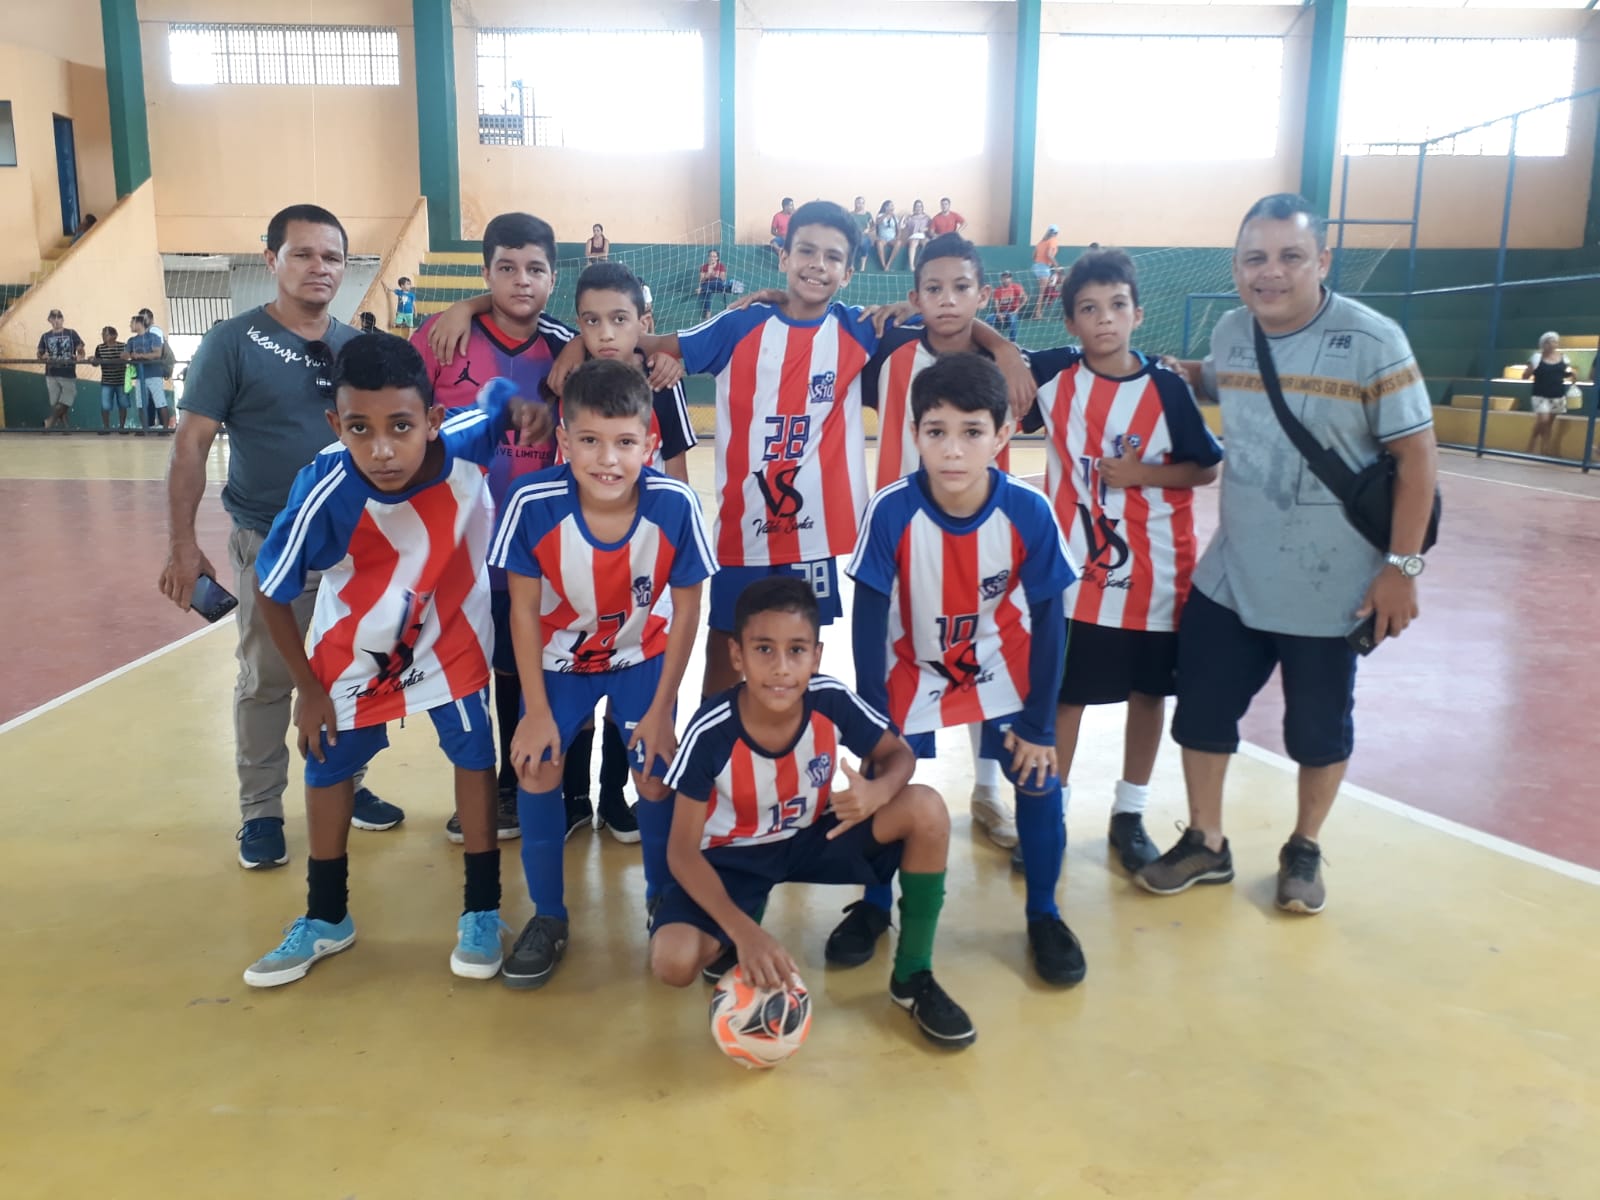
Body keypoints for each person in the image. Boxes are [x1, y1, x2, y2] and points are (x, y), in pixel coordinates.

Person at [1136, 193, 1438, 915]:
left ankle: (1304, 845)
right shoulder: (1236, 330)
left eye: (1290, 257)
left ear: (1322, 261)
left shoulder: (1374, 340)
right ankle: (1206, 841)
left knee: (1317, 729)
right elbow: (1221, 376)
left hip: (1332, 586)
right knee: (1202, 713)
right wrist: (1178, 370)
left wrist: (1402, 568)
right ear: (1237, 267)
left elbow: (1419, 458)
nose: (1270, 273)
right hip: (1233, 574)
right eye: (1255, 259)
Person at [241, 336, 543, 988]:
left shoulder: (462, 439)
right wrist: (307, 690)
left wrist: (521, 408)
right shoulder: (324, 489)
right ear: (335, 425)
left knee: (474, 759)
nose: (381, 448)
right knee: (326, 769)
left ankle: (483, 909)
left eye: (400, 427)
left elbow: (496, 400)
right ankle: (326, 918)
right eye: (360, 429)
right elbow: (271, 587)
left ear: (432, 420)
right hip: (355, 652)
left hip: (451, 639)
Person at [161, 203, 405, 869]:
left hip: (356, 552)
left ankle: (349, 784)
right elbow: (191, 446)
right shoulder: (233, 342)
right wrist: (183, 542)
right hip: (272, 542)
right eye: (303, 253)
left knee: (355, 676)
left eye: (331, 257)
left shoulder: (357, 348)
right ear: (272, 260)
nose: (318, 267)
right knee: (268, 678)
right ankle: (261, 811)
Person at [649, 576, 976, 1048]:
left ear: (816, 656)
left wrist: (878, 792)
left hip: (812, 838)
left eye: (796, 650)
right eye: (764, 649)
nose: (781, 668)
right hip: (733, 857)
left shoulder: (829, 698)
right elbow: (682, 852)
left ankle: (913, 978)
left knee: (926, 808)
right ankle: (736, 921)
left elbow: (900, 755)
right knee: (674, 962)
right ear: (737, 655)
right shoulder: (711, 731)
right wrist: (745, 934)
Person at [846, 354, 1082, 986]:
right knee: (884, 781)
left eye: (972, 432)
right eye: (936, 431)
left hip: (1000, 668)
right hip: (913, 668)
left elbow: (1052, 621)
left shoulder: (1028, 512)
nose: (953, 450)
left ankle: (1044, 914)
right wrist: (873, 722)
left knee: (1038, 778)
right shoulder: (892, 510)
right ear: (914, 434)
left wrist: (1040, 724)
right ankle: (872, 906)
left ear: (1003, 435)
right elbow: (866, 620)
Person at [490, 358, 717, 990]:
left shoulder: (674, 505)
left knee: (652, 770)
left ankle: (662, 898)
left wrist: (663, 708)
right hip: (559, 664)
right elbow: (524, 609)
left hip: (642, 658)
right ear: (563, 442)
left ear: (650, 443)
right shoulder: (532, 503)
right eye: (589, 441)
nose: (607, 460)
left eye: (624, 443)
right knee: (537, 764)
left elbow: (689, 605)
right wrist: (534, 710)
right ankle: (549, 915)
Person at [623, 201, 888, 701]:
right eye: (806, 250)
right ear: (782, 256)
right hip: (744, 534)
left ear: (849, 273)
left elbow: (944, 316)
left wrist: (997, 344)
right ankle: (709, 751)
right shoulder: (740, 326)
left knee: (799, 650)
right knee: (726, 645)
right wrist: (587, 348)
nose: (817, 264)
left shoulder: (860, 330)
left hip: (814, 539)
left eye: (832, 257)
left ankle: (784, 760)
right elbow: (649, 343)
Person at [1020, 248, 1222, 878]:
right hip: (1078, 585)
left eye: (1115, 306)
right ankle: (1052, 811)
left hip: (1159, 578)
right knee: (1066, 699)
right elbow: (995, 361)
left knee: (1147, 693)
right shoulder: (1054, 378)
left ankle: (1129, 813)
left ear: (1138, 311)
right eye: (1088, 309)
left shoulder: (1166, 386)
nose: (1104, 319)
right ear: (1070, 322)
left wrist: (1143, 475)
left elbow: (1207, 467)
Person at [410, 211, 576, 845]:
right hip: (451, 542)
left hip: (528, 544)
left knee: (514, 666)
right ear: (486, 274)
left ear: (554, 279)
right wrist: (464, 307)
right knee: (456, 666)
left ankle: (508, 786)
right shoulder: (442, 336)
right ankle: (473, 783)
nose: (521, 281)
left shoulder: (564, 345)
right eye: (505, 269)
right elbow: (401, 411)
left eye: (535, 269)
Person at [859, 233, 1021, 849]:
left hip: (980, 546)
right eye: (934, 289)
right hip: (902, 546)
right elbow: (812, 319)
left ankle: (986, 788)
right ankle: (897, 791)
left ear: (983, 292)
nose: (948, 301)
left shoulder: (1005, 367)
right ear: (914, 294)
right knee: (905, 667)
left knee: (983, 662)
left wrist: (1000, 342)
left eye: (961, 288)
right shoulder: (888, 351)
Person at [561, 261, 699, 832]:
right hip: (576, 563)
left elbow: (679, 476)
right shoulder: (566, 382)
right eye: (592, 322)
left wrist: (672, 556)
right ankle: (573, 798)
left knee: (628, 683)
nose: (608, 334)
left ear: (644, 321)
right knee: (577, 670)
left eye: (620, 320)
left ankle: (614, 793)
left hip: (645, 566)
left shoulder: (663, 386)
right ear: (579, 327)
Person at [1523, 331, 1576, 457]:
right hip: (1540, 395)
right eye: (1550, 341)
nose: (1553, 344)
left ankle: (1544, 448)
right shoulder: (1536, 358)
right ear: (1544, 344)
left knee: (1549, 423)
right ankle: (1533, 442)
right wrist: (1529, 370)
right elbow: (1525, 376)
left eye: (1555, 341)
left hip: (1557, 394)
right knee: (1543, 420)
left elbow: (1565, 373)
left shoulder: (1564, 358)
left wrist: (1572, 374)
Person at [36, 308, 85, 430]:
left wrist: (80, 355)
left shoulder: (71, 333)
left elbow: (80, 348)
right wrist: (42, 356)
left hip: (68, 372)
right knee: (56, 402)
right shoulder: (45, 336)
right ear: (49, 320)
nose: (56, 321)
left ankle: (50, 422)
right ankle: (66, 427)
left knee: (67, 399)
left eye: (59, 318)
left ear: (63, 319)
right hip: (51, 373)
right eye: (53, 318)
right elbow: (39, 353)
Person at [125, 314, 169, 435]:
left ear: (138, 323)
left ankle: (165, 429)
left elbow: (157, 354)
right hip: (140, 375)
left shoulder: (153, 337)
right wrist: (128, 355)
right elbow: (124, 354)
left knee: (160, 401)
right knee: (140, 403)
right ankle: (145, 428)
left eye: (131, 322)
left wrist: (139, 356)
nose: (130, 325)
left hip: (154, 374)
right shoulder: (131, 340)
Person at [89, 325, 127, 434]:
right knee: (105, 405)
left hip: (121, 381)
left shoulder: (123, 346)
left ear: (113, 335)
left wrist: (107, 361)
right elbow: (96, 363)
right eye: (102, 334)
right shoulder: (100, 348)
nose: (103, 336)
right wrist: (93, 360)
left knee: (123, 404)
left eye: (105, 334)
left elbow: (125, 359)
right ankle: (106, 428)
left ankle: (122, 428)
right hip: (107, 381)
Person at [991, 271, 1026, 342]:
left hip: (1012, 311)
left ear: (1011, 279)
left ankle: (1013, 342)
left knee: (1013, 321)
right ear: (1001, 279)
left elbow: (1025, 298)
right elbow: (996, 303)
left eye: (1008, 278)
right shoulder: (998, 290)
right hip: (1001, 312)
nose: (1006, 279)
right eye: (1004, 278)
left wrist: (1017, 310)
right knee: (988, 320)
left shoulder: (1016, 287)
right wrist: (998, 314)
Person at [697, 249, 731, 319]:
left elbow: (723, 278)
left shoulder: (721, 266)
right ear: (708, 257)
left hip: (718, 284)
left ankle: (701, 289)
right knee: (707, 290)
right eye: (710, 256)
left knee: (718, 282)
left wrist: (714, 274)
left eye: (714, 256)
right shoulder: (704, 267)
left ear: (717, 258)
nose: (712, 258)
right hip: (707, 285)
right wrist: (708, 273)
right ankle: (708, 312)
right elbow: (701, 281)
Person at [900, 200, 932, 272]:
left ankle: (925, 265)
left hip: (923, 236)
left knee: (926, 243)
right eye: (917, 206)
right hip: (913, 236)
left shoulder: (927, 218)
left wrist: (924, 229)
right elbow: (902, 226)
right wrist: (903, 218)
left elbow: (931, 228)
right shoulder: (910, 218)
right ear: (914, 208)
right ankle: (912, 266)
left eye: (920, 206)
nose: (918, 208)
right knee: (913, 243)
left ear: (922, 207)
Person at [1033, 224, 1060, 293]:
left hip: (1037, 267)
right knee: (1043, 292)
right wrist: (1056, 266)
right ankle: (1040, 304)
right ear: (1056, 233)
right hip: (1044, 267)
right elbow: (1049, 255)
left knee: (1045, 290)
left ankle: (1045, 302)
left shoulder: (1041, 242)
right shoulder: (1053, 241)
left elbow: (1033, 256)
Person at [874, 201, 900, 271]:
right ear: (886, 207)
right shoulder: (880, 215)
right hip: (882, 238)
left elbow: (898, 228)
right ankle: (883, 265)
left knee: (898, 243)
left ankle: (889, 264)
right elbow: (877, 222)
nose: (892, 207)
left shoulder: (894, 217)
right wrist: (886, 214)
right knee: (879, 244)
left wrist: (897, 237)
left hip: (892, 239)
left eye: (892, 206)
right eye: (890, 206)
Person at [849, 195, 872, 272]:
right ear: (855, 204)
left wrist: (868, 230)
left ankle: (863, 267)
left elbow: (873, 226)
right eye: (858, 203)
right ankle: (851, 265)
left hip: (864, 236)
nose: (860, 205)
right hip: (854, 235)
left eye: (862, 203)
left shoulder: (867, 214)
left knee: (864, 243)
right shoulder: (851, 214)